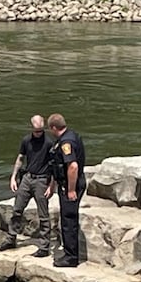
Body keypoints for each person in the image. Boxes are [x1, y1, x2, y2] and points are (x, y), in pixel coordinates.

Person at [0, 115, 53, 252]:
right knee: (17, 209)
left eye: (40, 130)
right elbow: (20, 158)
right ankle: (11, 238)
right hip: (27, 178)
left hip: (42, 179)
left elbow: (55, 164)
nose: (38, 133)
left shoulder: (49, 143)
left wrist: (52, 184)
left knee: (43, 214)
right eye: (36, 131)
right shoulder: (26, 140)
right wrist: (13, 176)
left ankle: (44, 245)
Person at [45, 112, 86, 268]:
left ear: (54, 128)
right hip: (69, 183)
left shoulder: (65, 143)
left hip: (71, 185)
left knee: (68, 220)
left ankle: (71, 257)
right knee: (68, 219)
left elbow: (73, 166)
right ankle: (70, 253)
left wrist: (70, 189)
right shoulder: (72, 135)